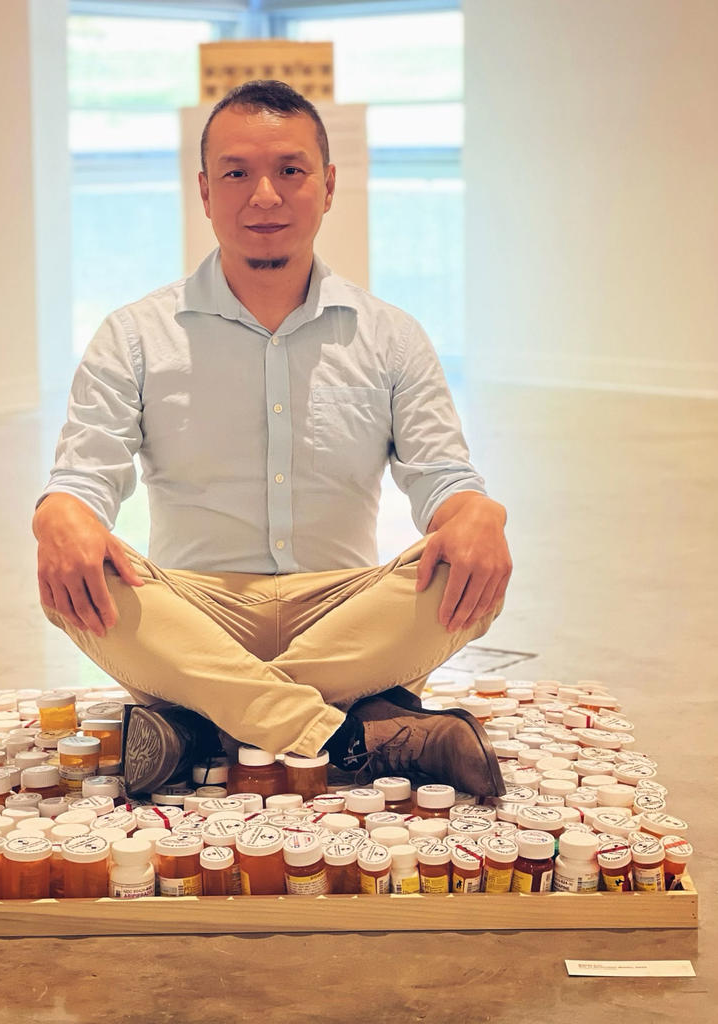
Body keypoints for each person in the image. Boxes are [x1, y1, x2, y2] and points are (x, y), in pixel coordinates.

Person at [34, 81, 512, 799]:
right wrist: (61, 510)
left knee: (466, 570)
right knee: (78, 578)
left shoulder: (391, 335)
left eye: (290, 171)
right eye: (236, 173)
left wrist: (476, 511)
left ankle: (199, 722)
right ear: (204, 190)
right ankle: (351, 733)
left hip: (345, 614)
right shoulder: (134, 334)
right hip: (194, 611)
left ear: (327, 185)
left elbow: (443, 476)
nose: (265, 195)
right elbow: (83, 475)